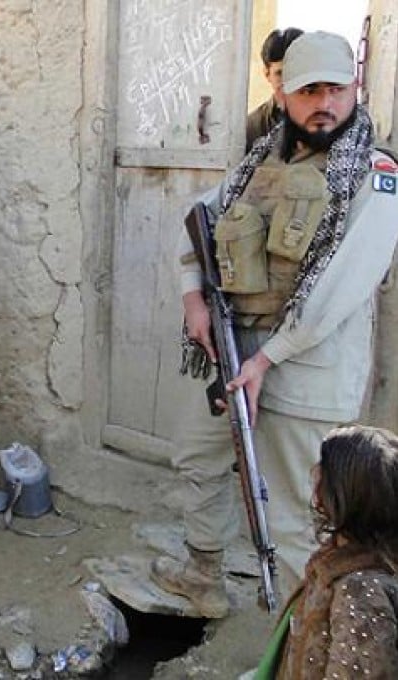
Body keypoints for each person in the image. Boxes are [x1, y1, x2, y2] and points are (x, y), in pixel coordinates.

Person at [151, 32, 398, 619]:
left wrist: (268, 360)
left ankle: (299, 645)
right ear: (284, 94)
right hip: (237, 347)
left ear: (354, 88)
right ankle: (202, 572)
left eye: (335, 89)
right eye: (308, 90)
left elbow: (341, 287)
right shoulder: (261, 160)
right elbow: (197, 223)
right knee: (197, 457)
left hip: (308, 364)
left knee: (294, 516)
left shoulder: (376, 172)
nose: (323, 103)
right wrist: (194, 301)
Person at [262, 425, 398, 678]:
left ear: (339, 495)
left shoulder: (360, 592)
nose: (314, 473)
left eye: (322, 467)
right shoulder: (336, 559)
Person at [246, 28, 304, 152]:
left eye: (296, 71)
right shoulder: (252, 128)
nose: (289, 81)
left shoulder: (330, 118)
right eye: (280, 73)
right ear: (267, 74)